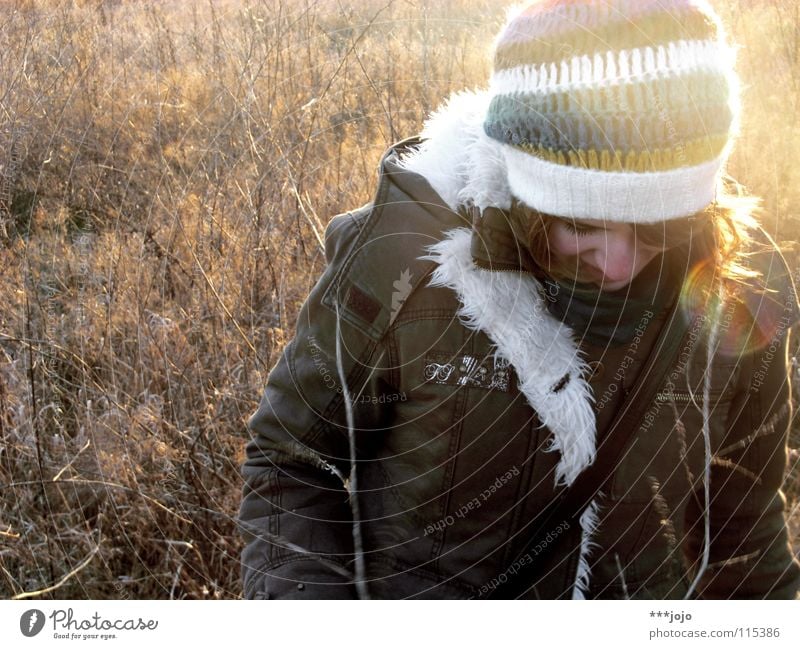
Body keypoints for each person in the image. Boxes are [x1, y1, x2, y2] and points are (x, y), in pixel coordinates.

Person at [237, 0, 800, 599]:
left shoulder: (741, 285)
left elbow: (745, 531)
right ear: (524, 193)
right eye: (581, 224)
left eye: (659, 228)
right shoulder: (408, 257)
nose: (616, 262)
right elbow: (291, 460)